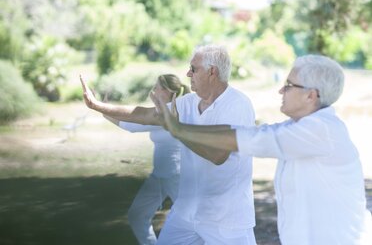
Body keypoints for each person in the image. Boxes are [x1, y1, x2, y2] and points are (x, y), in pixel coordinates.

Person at [153, 54, 372, 245]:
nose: (280, 90)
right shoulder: (301, 126)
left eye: (289, 85)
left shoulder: (320, 130)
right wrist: (180, 128)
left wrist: (178, 129)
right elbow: (245, 131)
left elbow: (253, 138)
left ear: (311, 95)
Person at [80, 44, 257, 244]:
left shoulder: (237, 105)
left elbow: (218, 155)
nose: (187, 73)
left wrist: (176, 129)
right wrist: (98, 105)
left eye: (194, 68)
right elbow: (145, 114)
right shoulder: (188, 102)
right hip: (186, 213)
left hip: (226, 219)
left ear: (212, 72)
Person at [103, 74, 189, 244]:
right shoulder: (163, 109)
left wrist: (103, 109)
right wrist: (105, 111)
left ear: (167, 91)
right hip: (159, 175)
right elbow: (132, 119)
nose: (153, 90)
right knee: (138, 215)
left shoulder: (168, 111)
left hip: (176, 175)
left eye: (157, 87)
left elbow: (131, 125)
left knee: (191, 221)